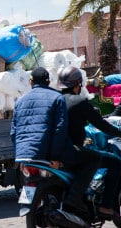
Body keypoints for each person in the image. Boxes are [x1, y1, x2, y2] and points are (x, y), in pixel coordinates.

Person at [10, 67, 100, 226]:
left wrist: (20, 155)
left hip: (25, 157)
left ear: (31, 82)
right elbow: (60, 130)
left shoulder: (20, 100)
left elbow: (13, 132)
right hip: (47, 155)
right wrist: (56, 157)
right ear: (49, 82)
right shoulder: (57, 97)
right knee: (94, 159)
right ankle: (75, 199)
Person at [57, 66, 121, 226]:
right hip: (72, 150)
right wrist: (118, 132)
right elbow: (100, 124)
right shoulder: (79, 101)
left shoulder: (55, 100)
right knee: (115, 162)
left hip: (53, 151)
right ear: (78, 84)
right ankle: (106, 206)